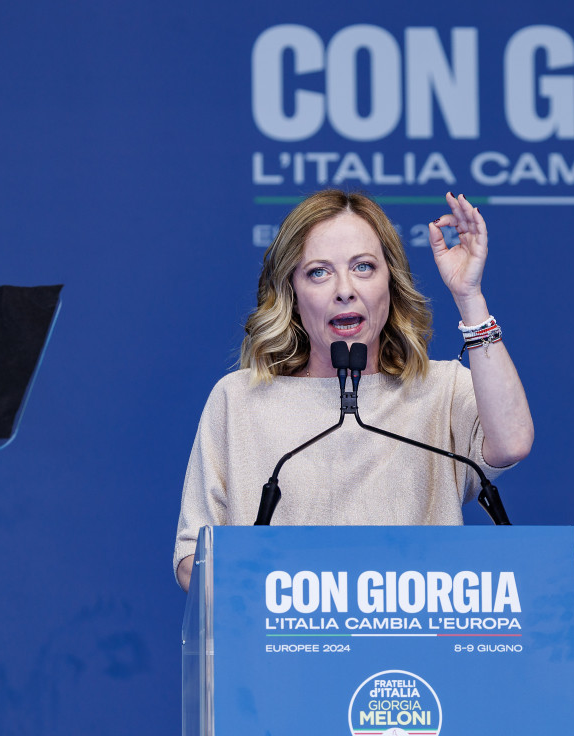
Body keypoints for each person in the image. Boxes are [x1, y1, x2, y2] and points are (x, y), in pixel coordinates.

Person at [174, 190, 533, 590]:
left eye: (363, 267)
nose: (344, 289)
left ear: (390, 282)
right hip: (285, 648)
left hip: (414, 648)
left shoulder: (441, 389)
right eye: (318, 272)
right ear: (291, 293)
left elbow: (512, 442)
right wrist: (277, 596)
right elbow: (192, 556)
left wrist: (470, 298)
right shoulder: (238, 399)